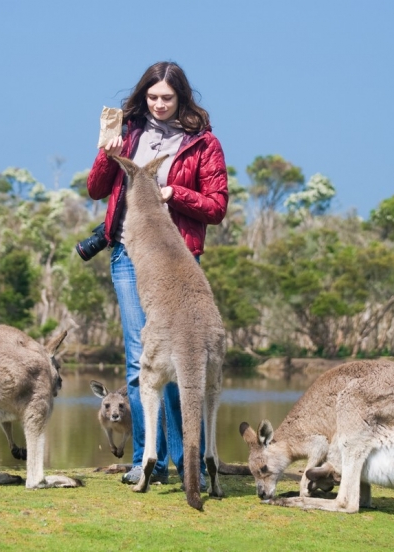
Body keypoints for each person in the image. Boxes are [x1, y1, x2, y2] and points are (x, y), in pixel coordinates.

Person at [86, 61, 228, 487]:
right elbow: (96, 189)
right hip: (129, 253)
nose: (159, 105)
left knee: (185, 356)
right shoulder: (129, 133)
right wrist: (107, 152)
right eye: (152, 97)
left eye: (167, 97)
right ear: (143, 96)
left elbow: (217, 206)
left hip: (177, 256)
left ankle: (190, 463)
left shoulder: (202, 143)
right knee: (140, 355)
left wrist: (173, 193)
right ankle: (147, 459)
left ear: (182, 98)